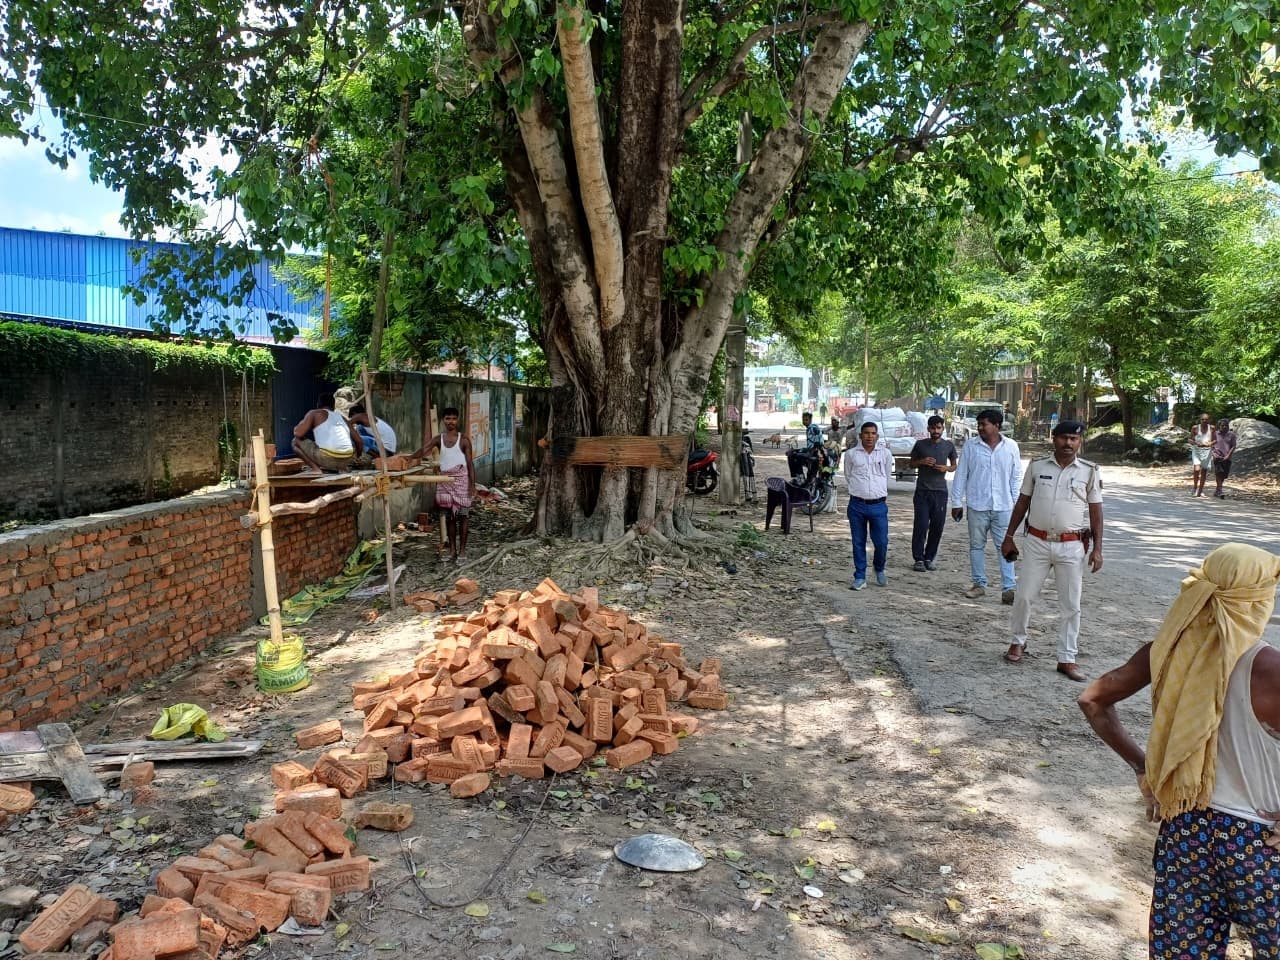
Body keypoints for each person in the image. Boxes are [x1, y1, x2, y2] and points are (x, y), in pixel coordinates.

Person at [1077, 543, 1280, 959]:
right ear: (1256, 599)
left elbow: (1093, 700)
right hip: (1261, 844)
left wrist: (1144, 766)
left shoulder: (1168, 649)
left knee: (1183, 952)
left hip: (1185, 831)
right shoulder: (1269, 668)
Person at [999, 420, 1103, 681]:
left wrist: (1098, 549)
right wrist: (1009, 536)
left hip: (1072, 545)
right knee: (1023, 596)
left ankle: (1067, 658)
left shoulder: (1089, 471)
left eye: (1074, 439)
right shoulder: (1037, 466)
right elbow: (1022, 502)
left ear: (1080, 442)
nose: (1068, 443)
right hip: (1037, 542)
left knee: (1071, 605)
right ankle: (1018, 641)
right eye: (1064, 438)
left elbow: (1096, 511)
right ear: (1053, 438)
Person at [950, 408, 1022, 604]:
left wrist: (1016, 505)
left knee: (1005, 547)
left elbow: (1016, 478)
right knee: (976, 546)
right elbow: (961, 475)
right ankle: (979, 584)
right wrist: (956, 502)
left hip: (1004, 506)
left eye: (984, 424)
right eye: (979, 424)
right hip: (977, 505)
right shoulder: (971, 447)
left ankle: (1009, 588)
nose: (980, 428)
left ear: (997, 425)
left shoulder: (1011, 447)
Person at [412, 407, 476, 563]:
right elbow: (424, 450)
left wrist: (472, 485)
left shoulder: (464, 440)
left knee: (463, 517)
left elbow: (469, 464)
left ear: (458, 420)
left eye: (454, 418)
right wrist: (410, 457)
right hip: (444, 482)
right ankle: (452, 550)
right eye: (448, 418)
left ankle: (462, 551)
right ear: (443, 420)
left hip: (461, 482)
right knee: (449, 519)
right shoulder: (438, 439)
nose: (451, 422)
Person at [843, 422, 895, 591]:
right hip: (857, 504)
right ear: (860, 436)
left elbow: (886, 475)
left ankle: (879, 568)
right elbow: (849, 475)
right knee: (858, 542)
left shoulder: (885, 454)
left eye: (873, 433)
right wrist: (862, 490)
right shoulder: (851, 455)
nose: (869, 436)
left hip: (878, 505)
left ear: (877, 436)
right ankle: (860, 576)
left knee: (881, 542)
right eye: (866, 433)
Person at [908, 415, 958, 572]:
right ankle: (918, 559)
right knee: (921, 525)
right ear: (928, 429)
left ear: (943, 428)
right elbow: (911, 463)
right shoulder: (920, 445)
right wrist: (922, 462)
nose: (936, 431)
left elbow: (954, 465)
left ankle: (929, 557)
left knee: (937, 526)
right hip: (922, 491)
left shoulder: (949, 446)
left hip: (940, 491)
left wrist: (946, 468)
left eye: (939, 428)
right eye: (933, 428)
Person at [292, 393, 362, 473]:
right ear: (333, 406)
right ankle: (342, 468)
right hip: (347, 461)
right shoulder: (342, 418)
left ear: (318, 404)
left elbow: (298, 434)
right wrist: (357, 456)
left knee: (295, 441)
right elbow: (359, 441)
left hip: (327, 459)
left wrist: (297, 427)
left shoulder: (315, 413)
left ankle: (316, 469)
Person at [1190, 413, 1216, 498]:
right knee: (1197, 469)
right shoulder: (1195, 428)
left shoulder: (1212, 428)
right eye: (1203, 419)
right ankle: (1194, 487)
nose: (1204, 421)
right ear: (1200, 420)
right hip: (1197, 450)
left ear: (1209, 420)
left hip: (1207, 451)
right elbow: (1190, 439)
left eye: (1206, 419)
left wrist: (1209, 443)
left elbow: (1215, 440)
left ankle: (1200, 491)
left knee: (1204, 471)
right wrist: (1196, 443)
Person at [1211, 418, 1237, 500]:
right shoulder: (1215, 434)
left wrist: (1228, 455)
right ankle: (1220, 490)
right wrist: (1213, 454)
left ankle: (1217, 489)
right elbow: (1211, 445)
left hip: (1227, 457)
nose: (1224, 427)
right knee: (1219, 473)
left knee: (1223, 475)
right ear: (1219, 426)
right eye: (1222, 425)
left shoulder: (1231, 435)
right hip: (1217, 456)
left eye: (1226, 425)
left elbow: (1233, 446)